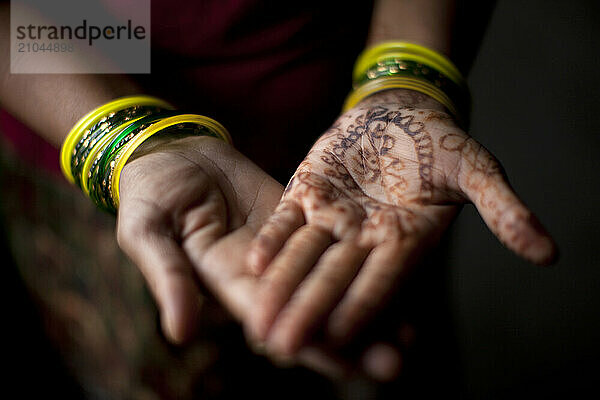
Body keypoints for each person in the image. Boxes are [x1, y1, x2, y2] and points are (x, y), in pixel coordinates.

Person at [0, 0, 557, 396]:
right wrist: (126, 140)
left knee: (373, 319)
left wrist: (407, 78)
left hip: (352, 114)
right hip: (80, 70)